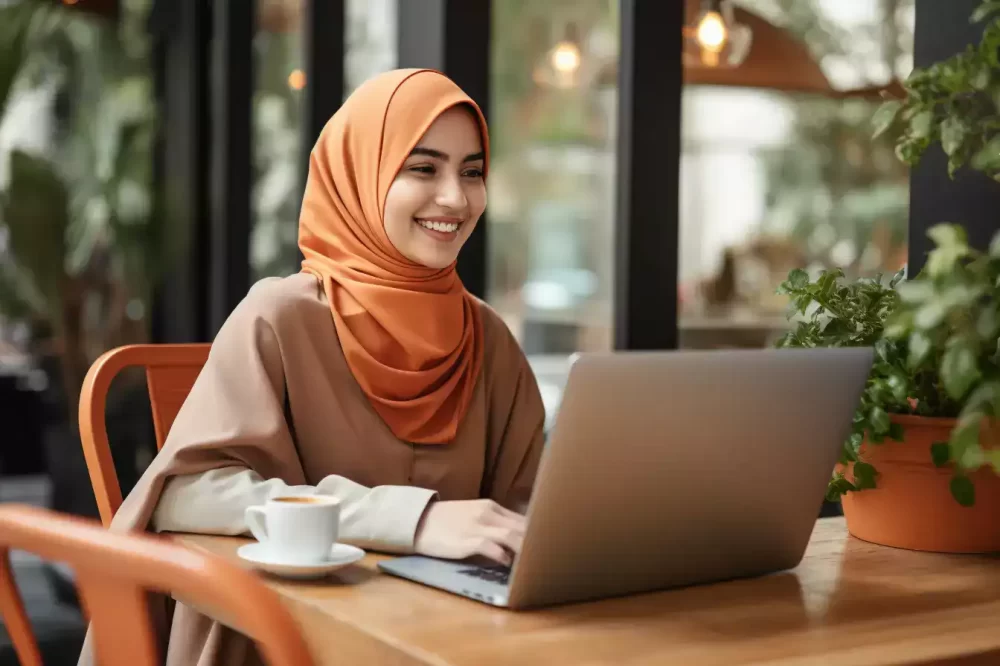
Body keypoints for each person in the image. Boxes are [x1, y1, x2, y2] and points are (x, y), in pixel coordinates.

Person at [78, 68, 546, 666]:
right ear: (357, 175)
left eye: (472, 171)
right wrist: (414, 520)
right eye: (423, 168)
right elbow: (186, 493)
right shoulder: (281, 315)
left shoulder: (489, 339)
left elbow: (531, 511)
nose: (455, 197)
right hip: (282, 640)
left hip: (447, 638)